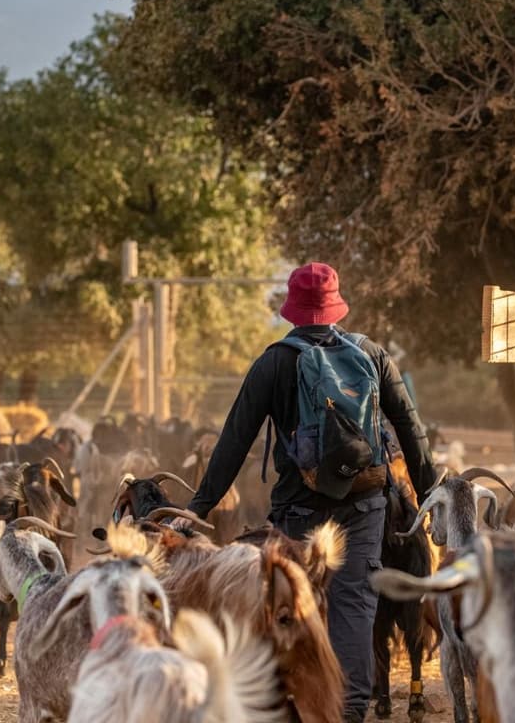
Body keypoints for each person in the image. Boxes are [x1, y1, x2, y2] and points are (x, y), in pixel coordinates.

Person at [187, 262, 437, 723]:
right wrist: (430, 492)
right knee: (354, 602)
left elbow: (235, 439)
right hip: (365, 502)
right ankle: (351, 709)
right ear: (337, 305)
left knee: (296, 606)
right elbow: (410, 428)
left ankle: (301, 706)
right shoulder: (372, 354)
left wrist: (197, 507)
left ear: (293, 309)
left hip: (299, 506)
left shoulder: (273, 363)